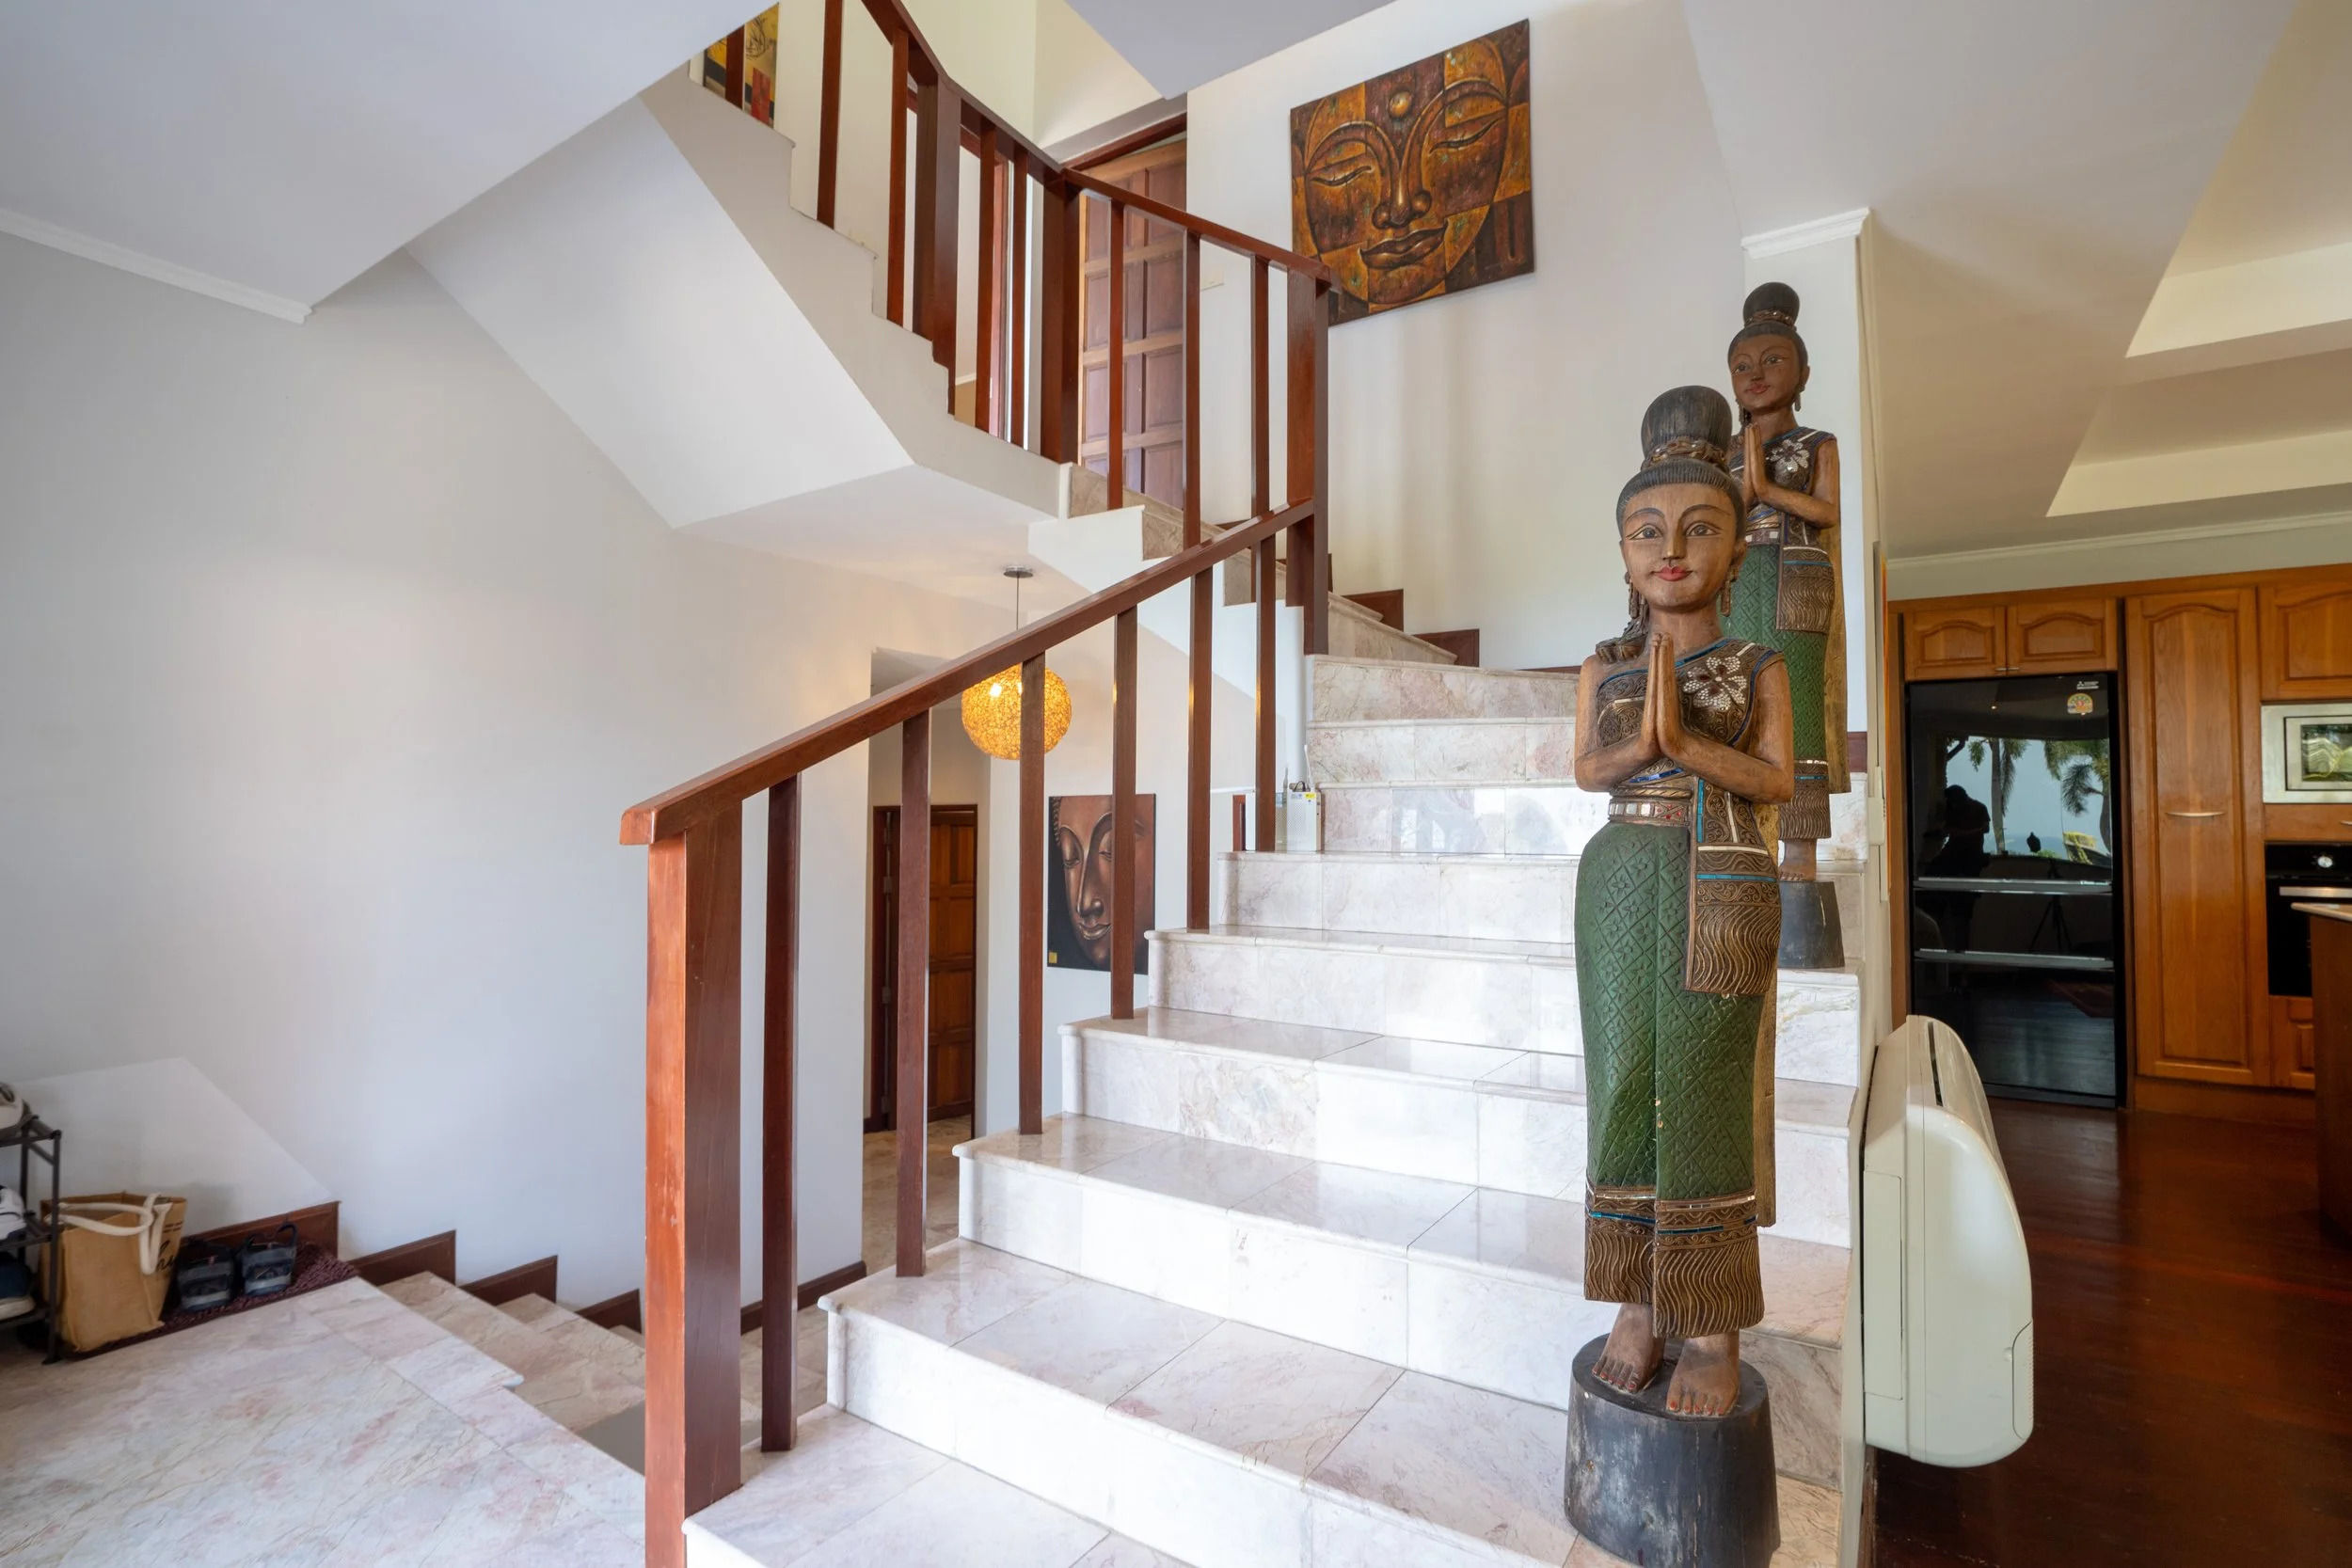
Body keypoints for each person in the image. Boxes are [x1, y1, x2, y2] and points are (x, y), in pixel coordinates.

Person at [1574, 385, 1796, 1418]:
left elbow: (1779, 780)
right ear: (1622, 553)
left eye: (1698, 527)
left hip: (1723, 874)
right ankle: (1635, 1298)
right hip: (1622, 871)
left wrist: (1688, 743)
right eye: (1647, 531)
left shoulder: (1757, 662)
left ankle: (1707, 1314)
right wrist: (1642, 738)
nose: (1671, 548)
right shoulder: (1605, 664)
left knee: (1703, 1080)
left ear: (1737, 550)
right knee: (1622, 1076)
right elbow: (1589, 769)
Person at [1724, 283, 1848, 959]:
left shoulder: (1815, 442)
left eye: (1773, 361)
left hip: (1796, 583)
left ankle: (1797, 850)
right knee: (1736, 702)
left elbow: (1826, 510)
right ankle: (1741, 831)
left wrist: (1764, 491)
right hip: (1740, 582)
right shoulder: (1723, 450)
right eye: (1744, 364)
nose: (1756, 374)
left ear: (1802, 373)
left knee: (1794, 703)